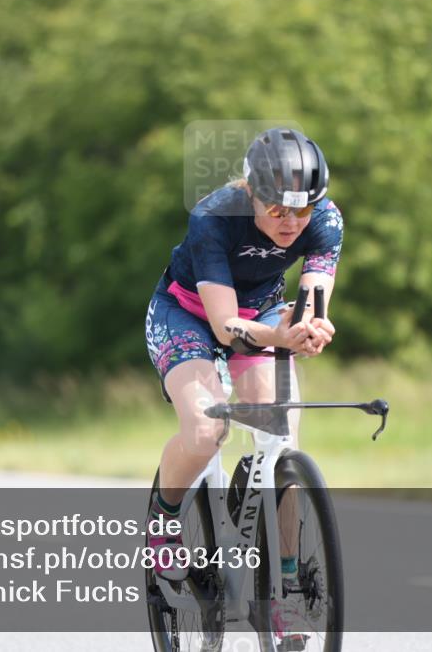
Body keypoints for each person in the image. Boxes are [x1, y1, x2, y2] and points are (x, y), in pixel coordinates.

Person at [144, 128, 342, 646]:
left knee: (281, 433)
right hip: (187, 315)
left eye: (302, 211)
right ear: (252, 193)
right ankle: (164, 520)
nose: (291, 223)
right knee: (208, 428)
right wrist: (280, 334)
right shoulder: (215, 216)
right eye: (277, 210)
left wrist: (312, 327)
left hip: (262, 313)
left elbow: (313, 298)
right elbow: (222, 323)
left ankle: (286, 585)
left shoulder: (325, 220)